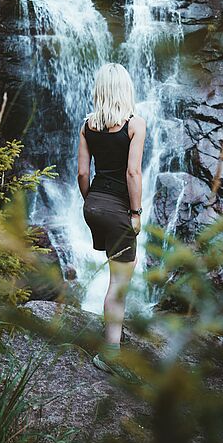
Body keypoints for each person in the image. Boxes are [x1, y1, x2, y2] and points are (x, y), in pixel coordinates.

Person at [77, 62, 146, 375]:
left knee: (115, 276)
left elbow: (81, 172)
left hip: (93, 206)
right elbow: (132, 172)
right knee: (118, 285)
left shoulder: (87, 125)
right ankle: (110, 355)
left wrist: (90, 202)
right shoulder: (135, 124)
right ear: (125, 89)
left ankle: (111, 346)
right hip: (119, 211)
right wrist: (135, 213)